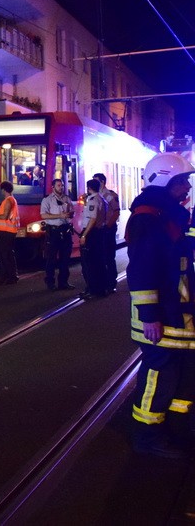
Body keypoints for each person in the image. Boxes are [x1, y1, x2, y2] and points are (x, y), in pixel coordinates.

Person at [127, 153, 195, 458]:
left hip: (177, 314)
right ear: (166, 181)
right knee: (159, 374)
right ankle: (148, 434)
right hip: (160, 319)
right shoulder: (148, 216)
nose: (187, 186)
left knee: (177, 373)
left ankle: (174, 428)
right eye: (182, 181)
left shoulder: (169, 214)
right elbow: (141, 270)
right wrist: (150, 317)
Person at [39, 178, 74, 291]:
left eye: (62, 185)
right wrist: (60, 216)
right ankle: (50, 282)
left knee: (65, 258)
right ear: (53, 187)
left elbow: (71, 212)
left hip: (65, 230)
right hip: (53, 231)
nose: (61, 187)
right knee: (51, 258)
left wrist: (69, 214)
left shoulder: (67, 199)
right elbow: (44, 215)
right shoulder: (47, 200)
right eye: (59, 185)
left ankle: (63, 282)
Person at [76, 178, 107, 299]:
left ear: (89, 188)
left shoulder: (93, 201)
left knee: (89, 263)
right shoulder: (100, 199)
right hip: (98, 232)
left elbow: (92, 219)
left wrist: (84, 235)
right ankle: (100, 289)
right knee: (98, 262)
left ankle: (92, 290)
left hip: (91, 233)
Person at [93, 172, 121, 294]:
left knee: (109, 257)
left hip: (107, 229)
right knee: (100, 257)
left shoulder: (109, 195)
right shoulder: (95, 195)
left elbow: (116, 212)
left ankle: (111, 283)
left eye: (96, 181)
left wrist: (108, 226)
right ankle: (103, 282)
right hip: (98, 230)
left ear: (102, 182)